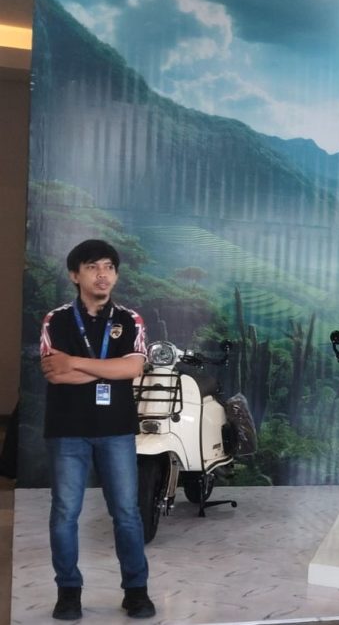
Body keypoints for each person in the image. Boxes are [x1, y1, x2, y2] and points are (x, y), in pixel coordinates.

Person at [40, 240, 156, 619]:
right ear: (75, 275)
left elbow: (133, 368)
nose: (102, 275)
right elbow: (55, 374)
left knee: (127, 513)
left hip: (116, 429)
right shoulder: (56, 319)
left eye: (109, 267)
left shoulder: (130, 319)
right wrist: (108, 369)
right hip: (66, 430)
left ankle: (136, 591)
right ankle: (68, 592)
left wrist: (76, 362)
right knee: (64, 513)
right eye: (92, 267)